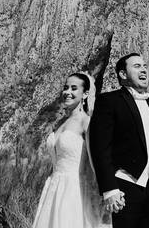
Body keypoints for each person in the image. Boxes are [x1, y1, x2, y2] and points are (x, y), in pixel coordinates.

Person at [88, 53, 149, 228]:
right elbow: (100, 148)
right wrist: (109, 189)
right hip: (121, 189)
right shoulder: (109, 101)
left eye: (145, 66)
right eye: (137, 66)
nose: (144, 70)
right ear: (123, 74)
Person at [31, 72, 109, 228]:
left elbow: (97, 159)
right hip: (53, 187)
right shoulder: (60, 123)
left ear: (85, 94)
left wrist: (107, 190)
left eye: (74, 88)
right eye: (66, 88)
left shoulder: (86, 122)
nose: (68, 92)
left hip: (73, 189)